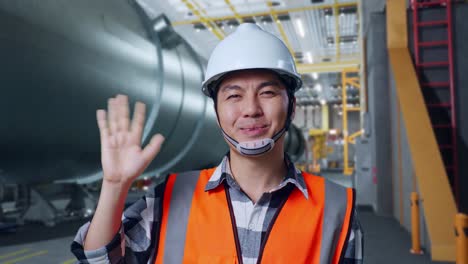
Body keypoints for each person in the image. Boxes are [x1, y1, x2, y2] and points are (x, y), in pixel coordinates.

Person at [71, 23, 363, 264]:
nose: (250, 109)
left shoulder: (336, 208)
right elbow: (99, 261)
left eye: (268, 93)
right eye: (234, 96)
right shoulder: (169, 199)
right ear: (217, 111)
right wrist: (115, 185)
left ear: (293, 106)